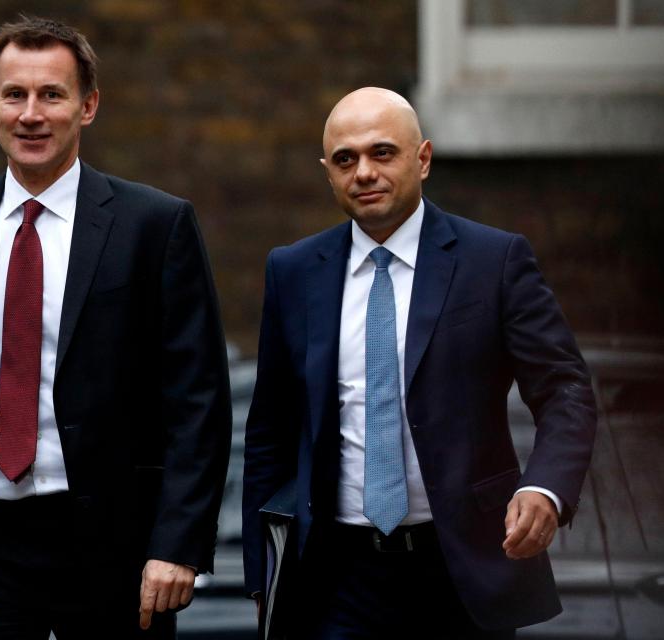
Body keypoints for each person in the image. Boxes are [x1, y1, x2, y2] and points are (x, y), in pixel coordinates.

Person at [0, 15, 232, 639]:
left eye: (52, 94)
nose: (32, 114)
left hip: (112, 547)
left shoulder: (154, 226)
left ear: (88, 106)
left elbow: (199, 403)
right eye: (15, 95)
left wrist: (179, 546)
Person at [241, 87, 597, 638]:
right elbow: (269, 430)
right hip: (335, 574)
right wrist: (263, 575)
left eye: (383, 153)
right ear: (328, 173)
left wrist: (545, 487)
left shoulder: (493, 260)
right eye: (345, 159)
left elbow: (564, 389)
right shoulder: (293, 271)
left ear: (423, 159)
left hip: (461, 569)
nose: (364, 172)